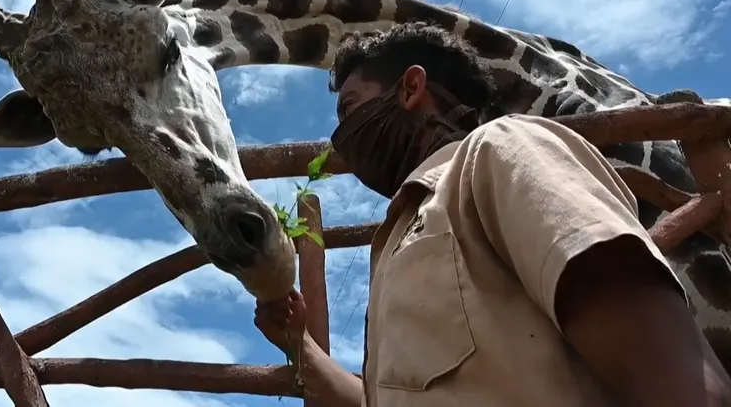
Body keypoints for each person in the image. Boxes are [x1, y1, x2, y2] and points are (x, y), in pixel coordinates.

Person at [253, 22, 731, 406]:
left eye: (350, 109)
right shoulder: (397, 239)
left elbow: (668, 369)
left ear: (411, 88)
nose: (343, 139)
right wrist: (300, 345)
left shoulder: (503, 151)